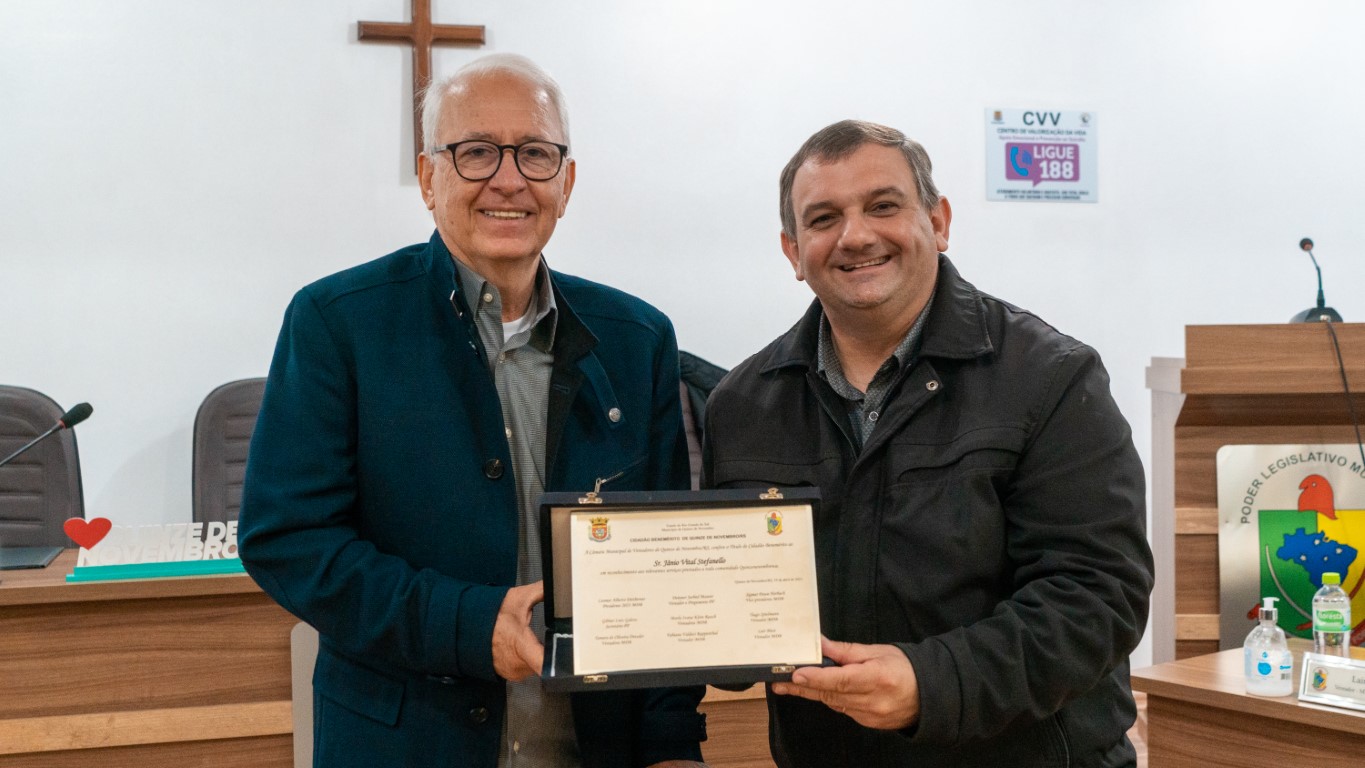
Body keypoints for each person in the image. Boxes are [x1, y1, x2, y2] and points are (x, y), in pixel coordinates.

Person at [239, 54, 707, 768]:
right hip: (406, 744)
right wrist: (464, 624)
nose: (509, 178)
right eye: (477, 152)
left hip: (598, 747)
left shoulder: (638, 339)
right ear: (430, 178)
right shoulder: (337, 323)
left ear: (566, 181)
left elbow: (668, 567)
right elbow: (289, 540)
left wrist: (672, 744)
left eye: (536, 154)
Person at [702, 120, 1153, 767]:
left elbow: (1096, 596)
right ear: (792, 251)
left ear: (937, 222)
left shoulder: (1050, 377)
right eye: (823, 217)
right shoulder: (742, 404)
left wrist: (932, 684)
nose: (855, 235)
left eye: (882, 206)